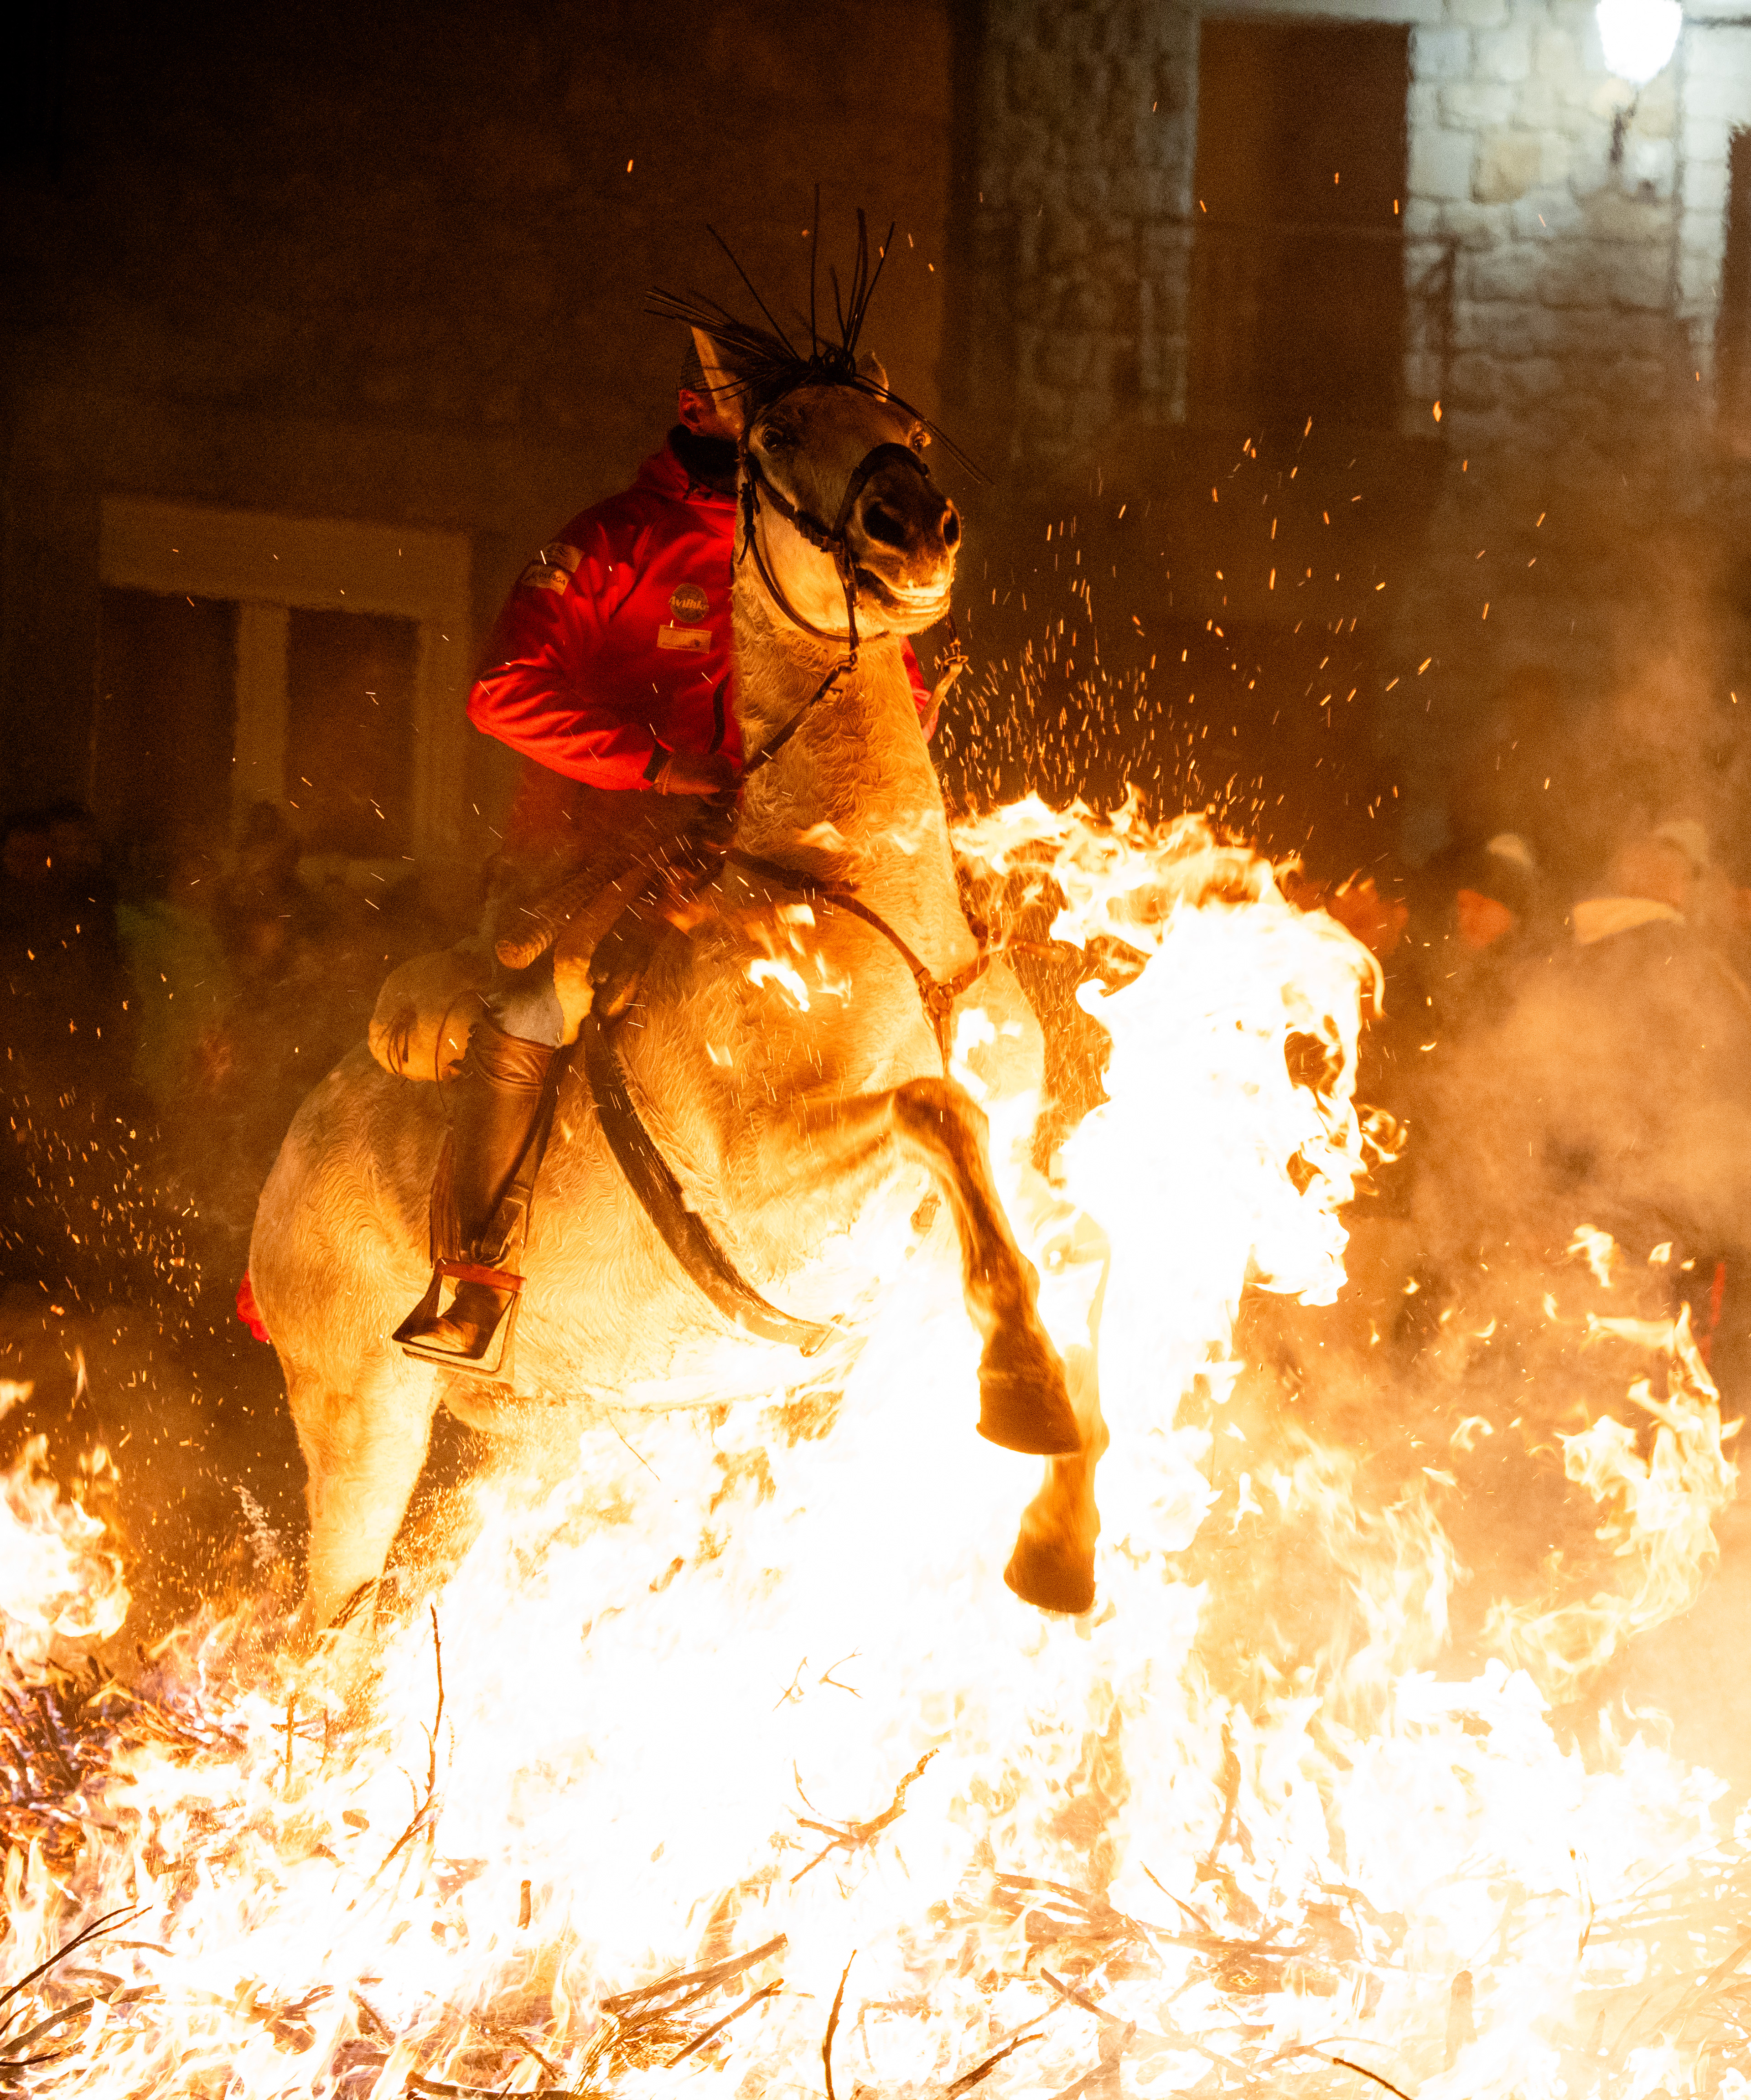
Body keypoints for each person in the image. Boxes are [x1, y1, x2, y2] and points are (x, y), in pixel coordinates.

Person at [399, 340, 942, 1363]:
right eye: (765, 421)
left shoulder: (812, 560)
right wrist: (655, 767)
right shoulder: (613, 539)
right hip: (590, 858)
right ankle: (473, 1270)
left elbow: (892, 700)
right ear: (698, 409)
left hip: (770, 864)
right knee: (534, 1001)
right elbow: (499, 692)